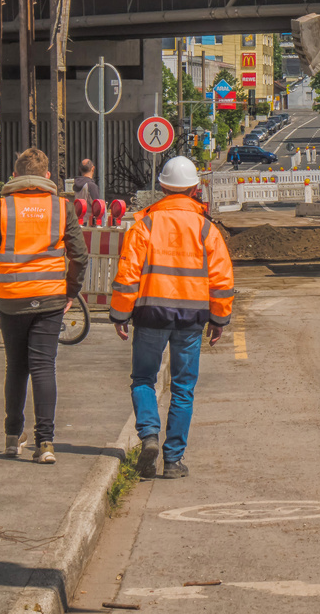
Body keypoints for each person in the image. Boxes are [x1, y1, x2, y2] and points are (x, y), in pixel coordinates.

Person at [110, 156, 232, 480]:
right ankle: (173, 460)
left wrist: (120, 314)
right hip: (191, 320)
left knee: (143, 380)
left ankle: (149, 435)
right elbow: (221, 279)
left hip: (150, 314)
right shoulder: (207, 228)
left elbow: (127, 274)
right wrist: (219, 320)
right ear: (194, 188)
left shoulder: (146, 224)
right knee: (183, 388)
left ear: (163, 187)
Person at [0, 147, 88, 464]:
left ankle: (13, 437)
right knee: (43, 368)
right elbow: (79, 256)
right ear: (48, 176)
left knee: (16, 367)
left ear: (14, 175)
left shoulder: (1, 208)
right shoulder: (61, 208)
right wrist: (70, 292)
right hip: (51, 300)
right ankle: (46, 443)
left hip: (12, 300)